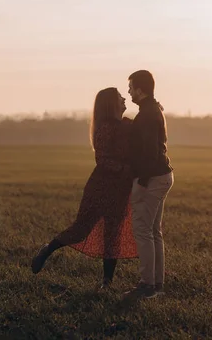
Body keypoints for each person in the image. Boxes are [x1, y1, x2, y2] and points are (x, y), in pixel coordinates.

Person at [31, 87, 137, 289]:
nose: (124, 98)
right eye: (119, 97)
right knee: (81, 229)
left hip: (120, 189)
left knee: (112, 235)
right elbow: (102, 159)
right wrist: (124, 169)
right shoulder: (105, 127)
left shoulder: (126, 125)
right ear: (111, 104)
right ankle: (47, 250)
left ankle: (107, 281)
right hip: (101, 187)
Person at [123, 70, 174, 299]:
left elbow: (149, 153)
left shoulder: (147, 115)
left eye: (131, 87)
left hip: (152, 179)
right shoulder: (153, 110)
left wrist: (141, 183)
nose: (129, 91)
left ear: (140, 90)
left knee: (143, 231)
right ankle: (157, 285)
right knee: (154, 232)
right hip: (162, 176)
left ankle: (147, 285)